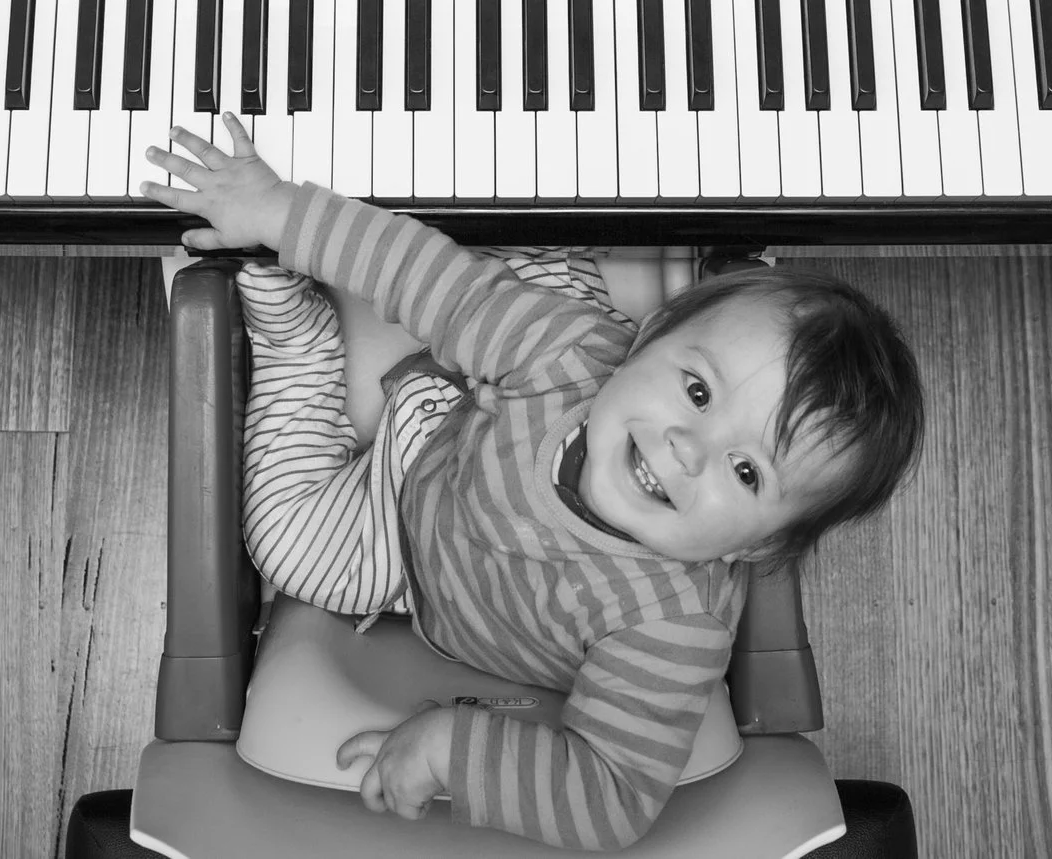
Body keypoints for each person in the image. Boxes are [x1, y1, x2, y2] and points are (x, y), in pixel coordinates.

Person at [141, 116, 924, 852]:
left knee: (288, 544)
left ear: (759, 545)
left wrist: (456, 749)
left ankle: (296, 340)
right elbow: (433, 281)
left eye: (747, 470)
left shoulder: (671, 627)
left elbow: (611, 793)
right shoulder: (572, 355)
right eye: (696, 390)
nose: (688, 448)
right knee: (522, 290)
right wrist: (278, 211)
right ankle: (584, 256)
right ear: (646, 342)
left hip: (409, 567)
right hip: (447, 439)